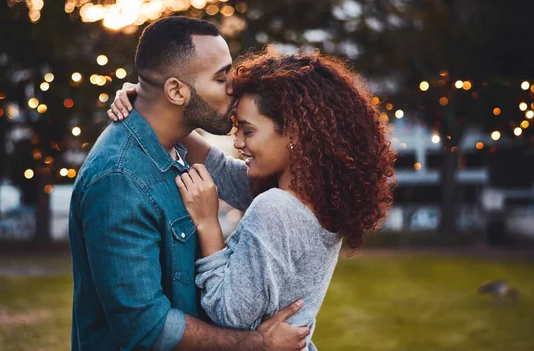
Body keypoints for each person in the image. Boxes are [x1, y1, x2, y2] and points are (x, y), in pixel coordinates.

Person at [109, 51, 396, 350]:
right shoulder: (316, 200)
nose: (238, 142)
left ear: (294, 132)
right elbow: (216, 165)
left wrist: (208, 223)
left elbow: (229, 314)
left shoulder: (278, 209)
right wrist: (150, 106)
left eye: (248, 130)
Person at [69, 17, 310, 351]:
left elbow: (255, 187)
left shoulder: (176, 148)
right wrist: (258, 344)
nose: (233, 88)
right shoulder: (119, 179)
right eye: (222, 77)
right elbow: (146, 327)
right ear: (177, 91)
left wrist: (141, 93)